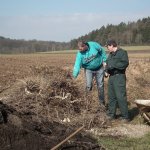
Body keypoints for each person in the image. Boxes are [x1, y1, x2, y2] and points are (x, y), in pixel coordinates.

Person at [73, 41, 107, 106]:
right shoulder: (80, 54)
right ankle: (87, 103)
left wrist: (105, 60)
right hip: (89, 70)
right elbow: (77, 65)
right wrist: (74, 75)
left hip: (99, 68)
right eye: (79, 49)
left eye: (81, 49)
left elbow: (101, 50)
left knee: (100, 86)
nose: (80, 51)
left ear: (84, 46)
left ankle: (102, 103)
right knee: (88, 86)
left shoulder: (93, 45)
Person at [105, 40, 129, 122]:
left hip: (119, 77)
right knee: (111, 97)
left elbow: (125, 63)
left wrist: (112, 66)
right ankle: (112, 114)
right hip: (111, 78)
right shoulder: (110, 55)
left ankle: (125, 116)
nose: (107, 49)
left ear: (111, 45)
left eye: (108, 47)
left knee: (120, 97)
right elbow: (107, 64)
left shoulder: (122, 52)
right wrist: (106, 71)